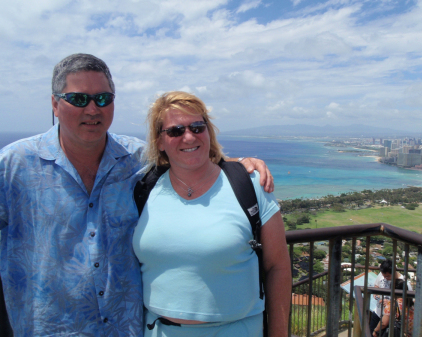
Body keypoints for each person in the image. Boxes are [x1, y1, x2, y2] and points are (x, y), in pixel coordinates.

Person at [0, 54, 274, 336]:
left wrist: (238, 165)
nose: (93, 109)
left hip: (126, 329)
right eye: (79, 99)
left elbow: (190, 157)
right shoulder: (13, 165)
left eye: (103, 98)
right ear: (55, 104)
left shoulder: (138, 160)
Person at [132, 91, 291, 337]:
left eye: (197, 127)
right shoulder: (144, 188)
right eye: (175, 131)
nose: (188, 136)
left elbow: (277, 267)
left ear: (209, 132)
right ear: (160, 141)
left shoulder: (250, 184)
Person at [370, 259, 412, 334]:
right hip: (378, 312)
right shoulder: (381, 275)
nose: (385, 278)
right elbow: (376, 285)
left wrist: (390, 303)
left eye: (388, 276)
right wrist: (376, 294)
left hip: (391, 319)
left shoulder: (403, 283)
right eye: (384, 276)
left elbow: (407, 302)